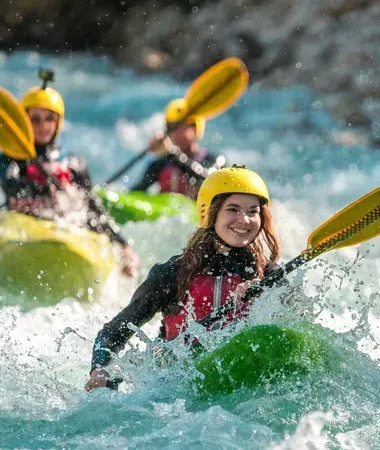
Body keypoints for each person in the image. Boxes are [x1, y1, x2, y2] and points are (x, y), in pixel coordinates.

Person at [86, 166, 280, 391]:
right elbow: (112, 333)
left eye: (252, 211)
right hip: (176, 390)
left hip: (245, 386)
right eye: (233, 209)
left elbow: (297, 321)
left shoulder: (268, 275)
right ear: (211, 212)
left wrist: (269, 296)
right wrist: (99, 369)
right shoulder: (172, 274)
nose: (244, 219)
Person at [0, 71, 139, 276]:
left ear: (58, 122)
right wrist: (44, 189)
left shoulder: (73, 163)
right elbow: (8, 183)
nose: (43, 126)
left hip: (66, 227)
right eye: (35, 119)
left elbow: (92, 208)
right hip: (25, 224)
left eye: (49, 119)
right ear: (24, 121)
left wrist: (122, 244)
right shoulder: (13, 158)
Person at [130, 98, 226, 199]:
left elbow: (206, 180)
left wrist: (172, 152)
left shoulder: (214, 160)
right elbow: (135, 194)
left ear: (195, 129)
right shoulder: (161, 164)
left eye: (181, 127)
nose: (176, 133)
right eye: (171, 127)